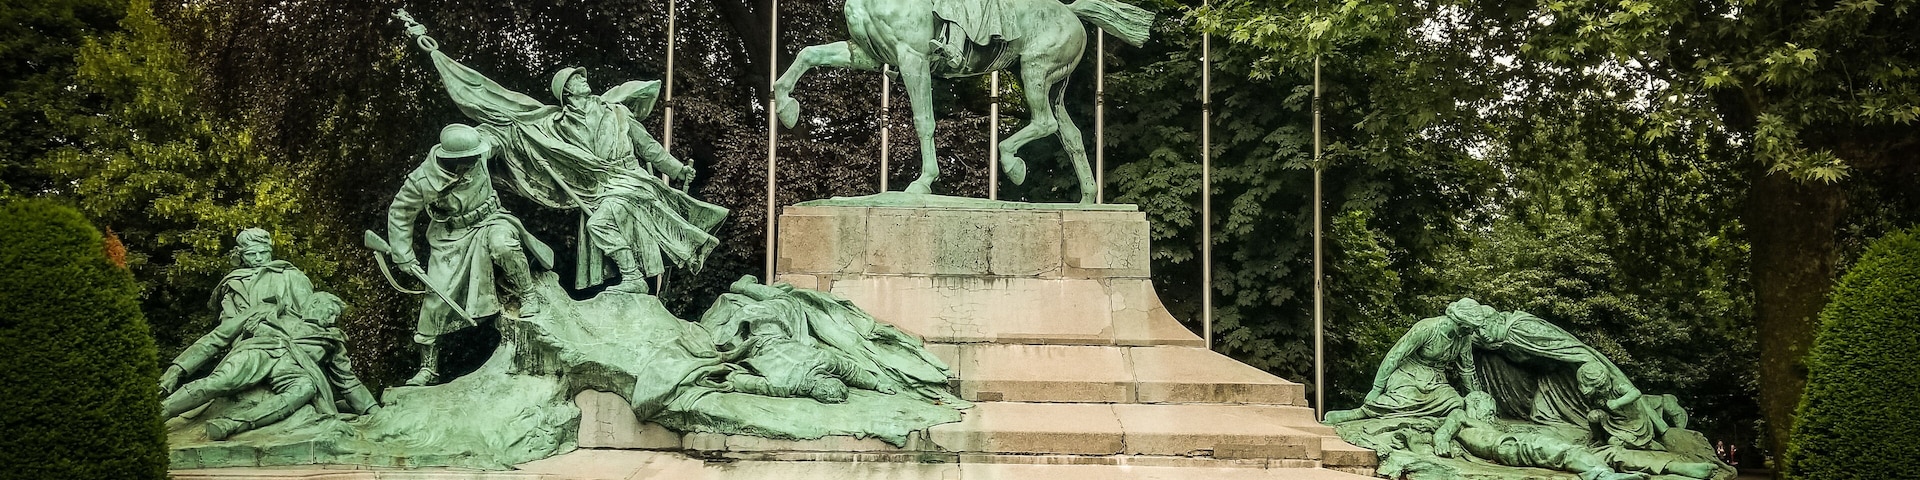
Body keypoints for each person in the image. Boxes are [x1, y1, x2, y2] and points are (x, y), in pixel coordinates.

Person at [405, 30, 728, 294]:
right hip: (598, 187)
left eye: (581, 77)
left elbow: (649, 149)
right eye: (575, 79)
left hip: (631, 179)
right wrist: (485, 143)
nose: (582, 79)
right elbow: (521, 130)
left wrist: (676, 169)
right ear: (566, 92)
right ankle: (632, 277)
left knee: (600, 223)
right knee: (602, 221)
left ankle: (632, 278)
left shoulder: (617, 112)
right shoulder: (557, 125)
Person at [387, 124, 555, 386]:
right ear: (454, 159)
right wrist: (403, 254)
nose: (477, 159)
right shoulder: (422, 180)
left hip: (491, 219)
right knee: (436, 297)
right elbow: (400, 213)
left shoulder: (481, 150)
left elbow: (507, 135)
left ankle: (528, 295)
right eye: (471, 157)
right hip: (451, 237)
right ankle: (428, 367)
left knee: (504, 245)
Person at [159, 276, 378, 440]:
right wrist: (177, 370)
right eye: (330, 313)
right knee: (221, 382)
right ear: (313, 305)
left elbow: (348, 381)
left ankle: (231, 425)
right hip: (262, 351)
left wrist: (373, 411)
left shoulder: (332, 340)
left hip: (295, 367)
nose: (332, 321)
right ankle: (161, 411)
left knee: (306, 387)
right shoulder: (272, 311)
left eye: (335, 318)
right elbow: (217, 338)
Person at [1435, 392, 1717, 480]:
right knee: (1560, 451)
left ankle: (1675, 467)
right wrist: (1442, 441)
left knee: (1609, 452)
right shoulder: (1462, 418)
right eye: (1484, 403)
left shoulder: (1492, 423)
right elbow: (1442, 435)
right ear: (1473, 404)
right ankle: (1603, 477)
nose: (1489, 407)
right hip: (1510, 448)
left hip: (1524, 444)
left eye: (1490, 404)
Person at [1323, 298, 1491, 423]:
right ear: (1460, 322)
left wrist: (1475, 397)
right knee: (1406, 401)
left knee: (1456, 403)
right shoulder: (1426, 328)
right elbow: (1395, 356)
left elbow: (1467, 370)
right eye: (1471, 327)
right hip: (1408, 374)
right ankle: (1360, 413)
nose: (1472, 332)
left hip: (1437, 382)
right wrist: (1376, 388)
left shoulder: (1464, 339)